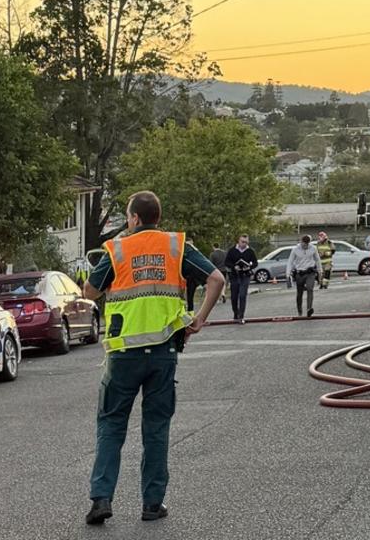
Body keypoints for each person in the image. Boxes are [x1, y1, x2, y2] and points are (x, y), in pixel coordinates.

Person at [82, 191, 224, 525]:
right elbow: (217, 279)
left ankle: (101, 499)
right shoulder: (177, 248)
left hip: (123, 355)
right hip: (163, 352)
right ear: (157, 217)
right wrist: (199, 318)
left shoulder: (117, 249)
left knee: (111, 424)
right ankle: (152, 504)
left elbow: (90, 291)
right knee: (156, 428)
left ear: (133, 218)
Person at [224, 235, 257, 324]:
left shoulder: (250, 251)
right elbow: (226, 262)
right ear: (238, 241)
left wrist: (249, 266)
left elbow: (255, 263)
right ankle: (236, 313)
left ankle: (241, 315)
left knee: (242, 295)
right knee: (234, 296)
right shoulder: (232, 250)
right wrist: (234, 267)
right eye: (242, 242)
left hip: (245, 275)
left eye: (246, 242)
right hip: (234, 275)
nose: (244, 244)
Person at [287, 235, 322, 317]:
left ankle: (309, 309)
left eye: (307, 244)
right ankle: (300, 311)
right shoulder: (295, 250)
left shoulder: (313, 248)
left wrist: (320, 271)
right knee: (299, 293)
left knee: (310, 289)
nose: (306, 246)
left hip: (310, 272)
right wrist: (288, 274)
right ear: (301, 242)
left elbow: (317, 260)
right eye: (304, 244)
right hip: (300, 273)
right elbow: (290, 262)